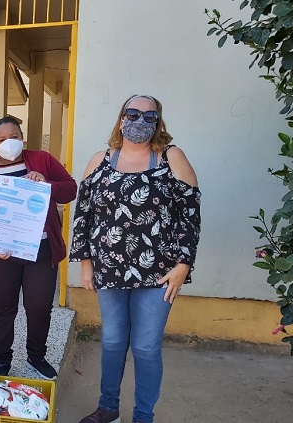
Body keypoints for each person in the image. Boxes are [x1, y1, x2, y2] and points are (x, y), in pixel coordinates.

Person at [69, 95, 201, 423]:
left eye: (148, 115)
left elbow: (190, 215)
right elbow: (84, 213)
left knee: (145, 347)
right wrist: (86, 263)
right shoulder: (100, 160)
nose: (139, 120)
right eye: (132, 113)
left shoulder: (171, 158)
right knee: (113, 341)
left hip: (159, 273)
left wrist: (183, 265)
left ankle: (144, 416)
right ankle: (108, 408)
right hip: (109, 269)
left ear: (158, 121)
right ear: (120, 118)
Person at [0, 116, 77, 380]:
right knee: (3, 309)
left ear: (22, 137)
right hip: (2, 255)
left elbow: (70, 190)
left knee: (39, 307)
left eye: (14, 137)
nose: (9, 143)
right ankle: (2, 360)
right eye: (2, 139)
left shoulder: (42, 160)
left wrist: (46, 186)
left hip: (40, 250)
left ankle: (36, 356)